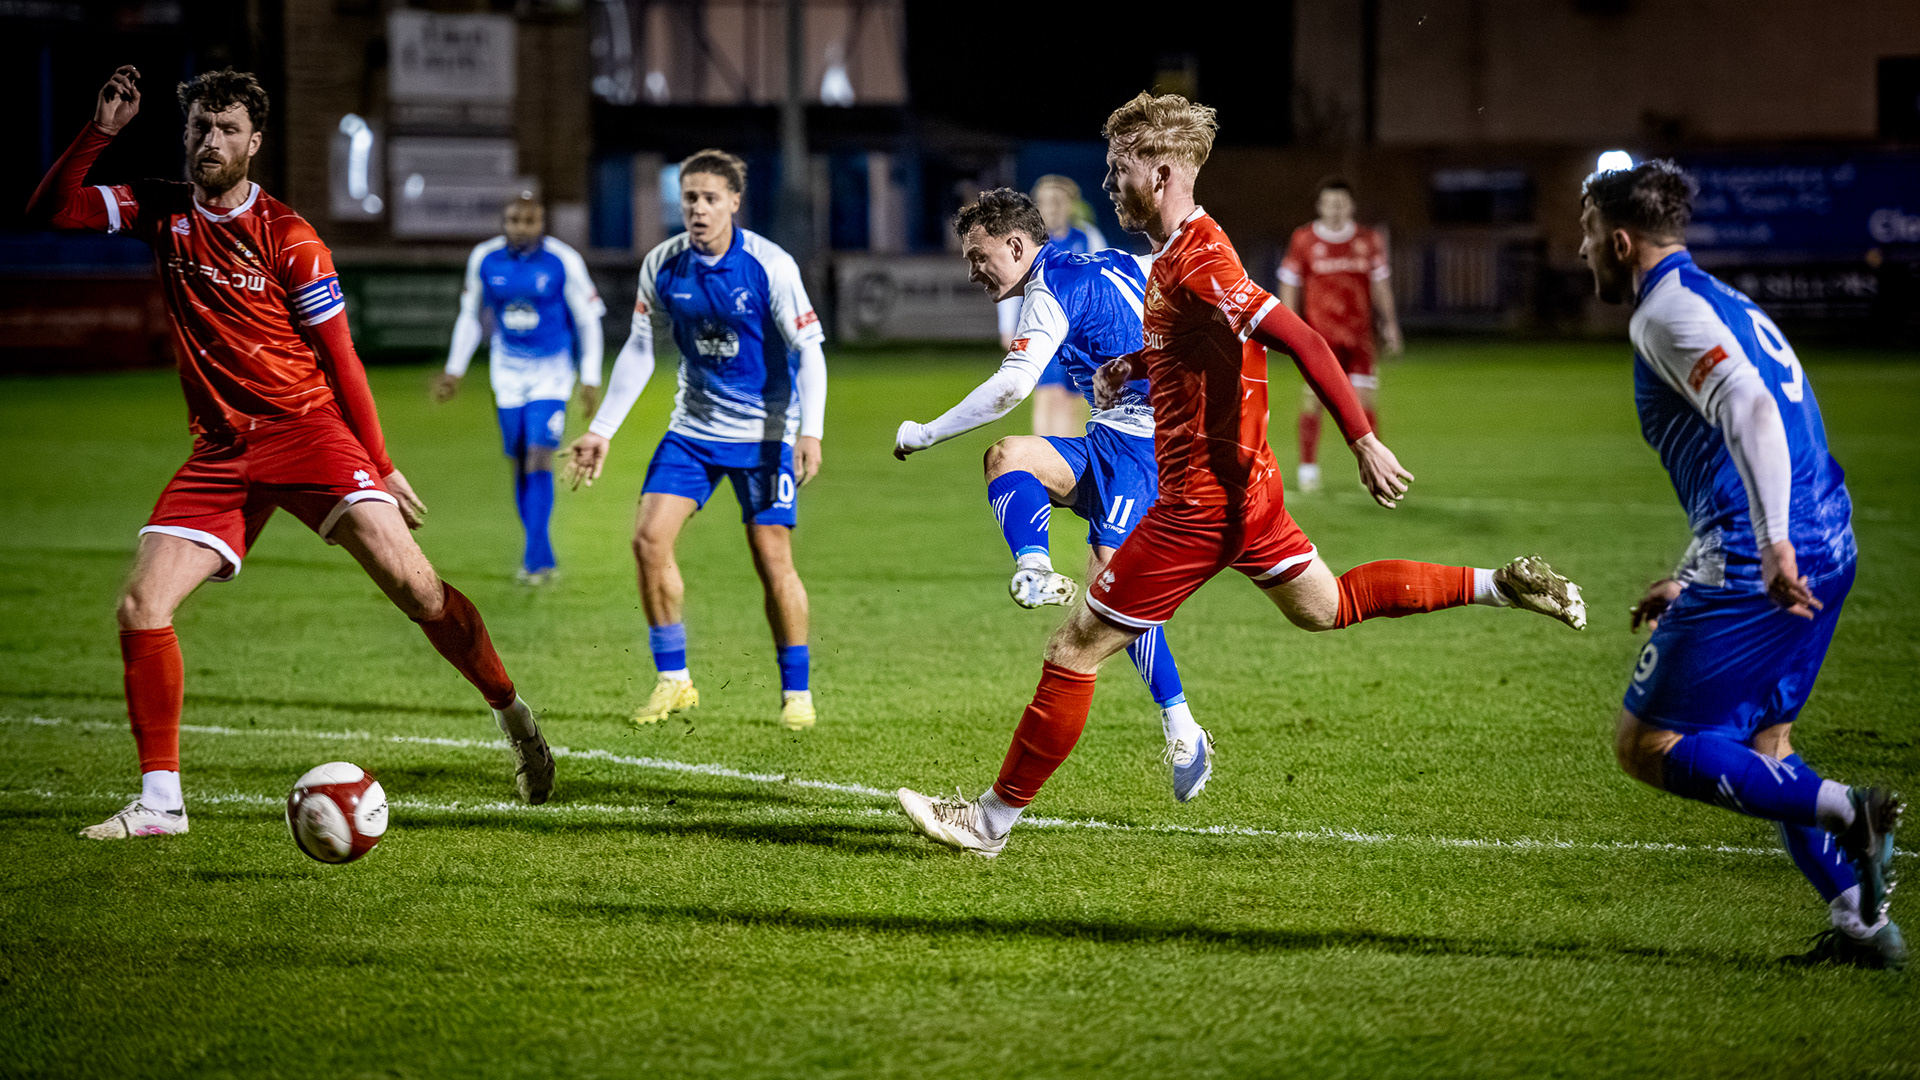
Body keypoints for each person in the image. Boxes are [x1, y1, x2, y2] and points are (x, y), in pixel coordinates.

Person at [895, 92, 1587, 858]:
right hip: (1251, 493)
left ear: (1161, 174)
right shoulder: (1167, 258)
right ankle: (1500, 584)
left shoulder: (1200, 256)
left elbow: (1301, 338)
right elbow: (1203, 344)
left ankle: (990, 821)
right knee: (1328, 605)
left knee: (1075, 647)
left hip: (1196, 503)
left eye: (1120, 168)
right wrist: (1135, 363)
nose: (1110, 182)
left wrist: (1362, 440)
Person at [28, 66, 553, 839]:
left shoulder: (290, 237)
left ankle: (513, 716)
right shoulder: (160, 208)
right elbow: (51, 209)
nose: (211, 141)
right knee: (141, 606)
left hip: (309, 433)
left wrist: (378, 462)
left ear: (255, 142)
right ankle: (162, 803)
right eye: (201, 128)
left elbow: (342, 359)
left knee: (419, 591)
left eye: (228, 129)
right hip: (220, 451)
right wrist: (100, 132)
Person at [1580, 160, 1904, 969]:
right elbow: (1750, 435)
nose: (1580, 249)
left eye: (1587, 232)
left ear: (1620, 241)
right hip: (1829, 540)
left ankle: (1850, 811)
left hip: (1767, 557)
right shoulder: (1724, 301)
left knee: (1647, 743)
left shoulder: (1664, 313)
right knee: (1766, 744)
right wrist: (1701, 568)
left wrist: (1768, 545)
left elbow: (1753, 409)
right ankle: (1864, 928)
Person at [894, 188, 1211, 801]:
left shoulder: (1049, 289)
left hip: (1150, 443)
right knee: (1009, 456)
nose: (973, 271)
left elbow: (1012, 387)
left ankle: (1182, 730)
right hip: (1112, 436)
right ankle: (1035, 568)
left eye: (979, 255)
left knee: (1113, 589)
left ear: (1016, 246)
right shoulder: (1105, 259)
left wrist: (926, 433)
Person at [562, 149, 827, 731]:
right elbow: (640, 348)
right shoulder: (663, 264)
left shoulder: (769, 265)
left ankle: (797, 691)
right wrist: (601, 429)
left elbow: (809, 351)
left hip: (765, 436)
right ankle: (674, 679)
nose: (698, 209)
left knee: (773, 561)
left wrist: (810, 431)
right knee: (648, 541)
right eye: (689, 199)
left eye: (710, 198)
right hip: (693, 433)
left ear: (734, 202)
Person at [434, 193, 606, 585]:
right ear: (504, 222)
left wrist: (590, 376)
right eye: (514, 220)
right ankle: (540, 553)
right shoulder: (485, 258)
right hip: (507, 374)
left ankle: (535, 559)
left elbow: (587, 320)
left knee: (538, 457)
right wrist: (454, 370)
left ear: (542, 223)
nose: (521, 227)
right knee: (519, 463)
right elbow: (470, 316)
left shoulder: (563, 260)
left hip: (552, 373)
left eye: (529, 221)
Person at [1277, 177, 1403, 493]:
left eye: (1341, 203)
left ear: (1351, 206)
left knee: (1364, 404)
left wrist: (1390, 325)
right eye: (1330, 203)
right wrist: (1290, 327)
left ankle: (1372, 468)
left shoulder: (1368, 240)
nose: (1336, 209)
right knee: (1314, 400)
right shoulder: (1304, 240)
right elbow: (1290, 284)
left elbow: (1380, 286)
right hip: (1320, 339)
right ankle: (1307, 469)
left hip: (1359, 337)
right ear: (1320, 206)